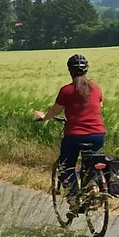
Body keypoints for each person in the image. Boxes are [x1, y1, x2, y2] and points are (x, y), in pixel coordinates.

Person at [33, 54, 106, 216]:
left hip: (74, 135)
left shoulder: (66, 90)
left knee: (66, 166)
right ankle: (94, 187)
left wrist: (44, 117)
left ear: (69, 71)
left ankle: (73, 200)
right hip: (98, 134)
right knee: (92, 163)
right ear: (86, 70)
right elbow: (99, 105)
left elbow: (55, 110)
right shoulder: (96, 88)